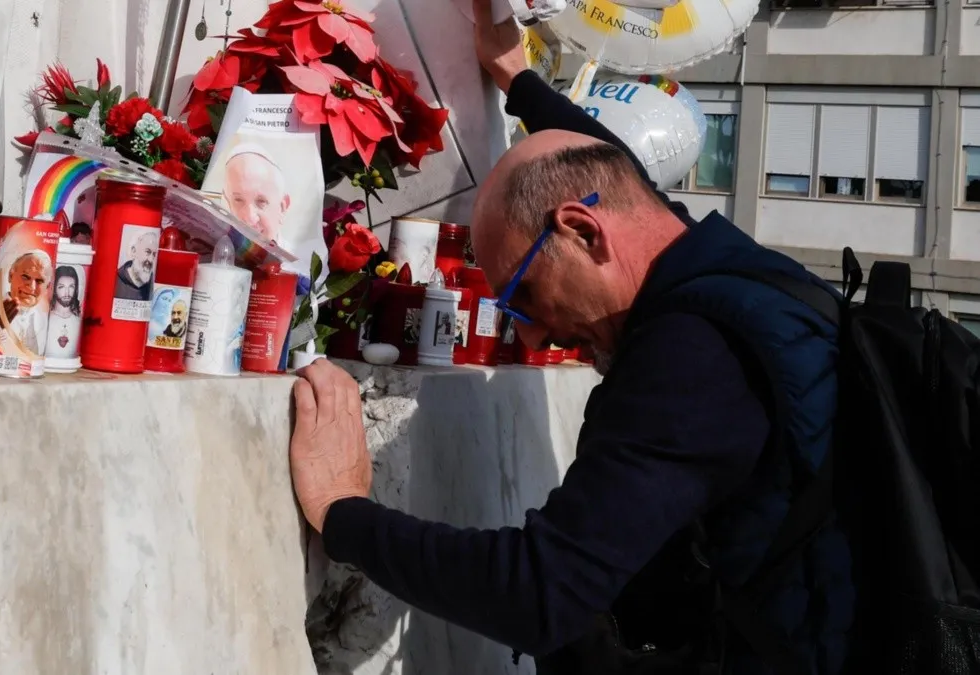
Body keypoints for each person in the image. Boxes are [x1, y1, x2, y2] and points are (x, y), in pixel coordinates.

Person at [288, 1, 853, 673]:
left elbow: (538, 591)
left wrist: (344, 510)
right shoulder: (740, 276)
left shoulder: (693, 358)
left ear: (584, 231)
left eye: (522, 294)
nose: (530, 335)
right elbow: (612, 173)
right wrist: (518, 81)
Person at [222, 144, 291, 243]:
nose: (250, 218)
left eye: (261, 201)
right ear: (227, 203)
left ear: (282, 208)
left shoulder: (303, 257)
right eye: (238, 200)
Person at [0, 251, 51, 355]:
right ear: (11, 275)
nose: (32, 287)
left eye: (39, 281)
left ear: (48, 287)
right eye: (25, 277)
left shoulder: (45, 320)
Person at [45, 265, 82, 357]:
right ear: (54, 288)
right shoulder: (45, 318)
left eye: (71, 287)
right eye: (61, 287)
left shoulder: (79, 321)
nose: (67, 293)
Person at [115, 231, 156, 301]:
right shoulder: (115, 281)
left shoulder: (154, 285)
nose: (151, 260)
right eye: (147, 252)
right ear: (134, 251)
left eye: (154, 254)